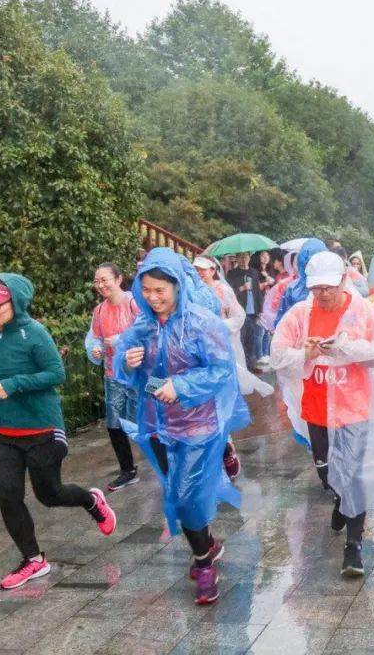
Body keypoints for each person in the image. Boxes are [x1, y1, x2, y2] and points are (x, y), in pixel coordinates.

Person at [115, 248, 250, 605]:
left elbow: (220, 371)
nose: (153, 297)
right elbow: (130, 379)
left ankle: (204, 564)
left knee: (186, 495)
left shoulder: (202, 323)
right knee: (176, 494)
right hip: (157, 425)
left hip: (198, 426)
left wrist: (182, 386)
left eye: (160, 290)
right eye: (146, 290)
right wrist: (129, 365)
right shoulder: (142, 328)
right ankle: (206, 545)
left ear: (177, 285)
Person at [0, 274, 117, 590]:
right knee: (8, 496)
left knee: (49, 495)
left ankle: (91, 500)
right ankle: (33, 560)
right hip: (1, 430)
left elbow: (56, 373)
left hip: (41, 429)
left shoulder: (34, 334)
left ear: (16, 302)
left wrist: (14, 384)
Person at [271, 251, 374, 575]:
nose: (323, 294)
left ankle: (353, 548)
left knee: (353, 475)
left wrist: (343, 347)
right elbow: (278, 356)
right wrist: (306, 352)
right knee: (328, 473)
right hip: (317, 408)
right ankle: (340, 500)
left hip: (355, 407)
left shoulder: (362, 312)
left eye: (328, 286)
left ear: (343, 280)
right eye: (316, 288)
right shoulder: (300, 314)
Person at [85, 263, 141, 491]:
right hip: (113, 374)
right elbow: (95, 337)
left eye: (104, 279)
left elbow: (148, 330)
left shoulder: (133, 303)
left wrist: (121, 339)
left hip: (141, 373)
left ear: (118, 279)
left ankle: (173, 462)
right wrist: (96, 348)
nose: (100, 285)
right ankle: (128, 470)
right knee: (114, 423)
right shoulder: (99, 311)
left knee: (149, 419)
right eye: (97, 281)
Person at [193, 255, 274, 402]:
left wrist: (220, 326)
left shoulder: (222, 289)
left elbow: (238, 316)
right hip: (202, 340)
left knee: (227, 373)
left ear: (212, 270)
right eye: (196, 270)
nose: (199, 273)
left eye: (202, 270)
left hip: (224, 338)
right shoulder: (193, 291)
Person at [225, 252, 265, 367]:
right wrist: (242, 288)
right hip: (239, 311)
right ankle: (241, 366)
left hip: (253, 311)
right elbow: (229, 293)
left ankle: (251, 364)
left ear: (249, 258)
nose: (244, 259)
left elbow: (258, 292)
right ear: (237, 258)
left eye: (246, 257)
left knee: (251, 339)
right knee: (240, 339)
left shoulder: (253, 272)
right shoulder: (232, 273)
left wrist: (260, 309)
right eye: (241, 257)